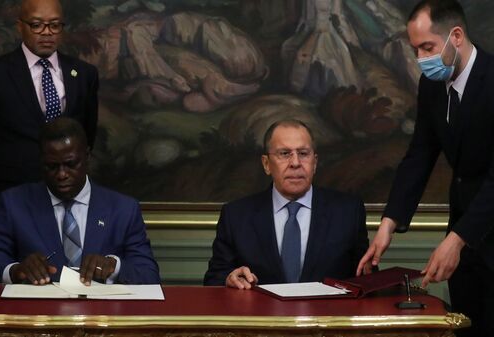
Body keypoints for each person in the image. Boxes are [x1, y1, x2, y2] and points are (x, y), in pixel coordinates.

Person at [356, 1, 494, 336]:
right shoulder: (431, 86)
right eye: (415, 49)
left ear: (456, 36)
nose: (421, 59)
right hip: (466, 244)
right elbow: (420, 154)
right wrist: (389, 223)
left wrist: (458, 238)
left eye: (427, 47)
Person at [0, 0, 99, 232]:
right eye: (37, 25)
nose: (47, 33)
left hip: (69, 203)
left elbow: (87, 135)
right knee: (11, 268)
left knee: (67, 268)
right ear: (20, 26)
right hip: (10, 200)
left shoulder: (84, 74)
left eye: (55, 25)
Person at [0, 117, 160, 285]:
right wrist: (15, 271)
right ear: (41, 162)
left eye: (71, 164)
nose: (62, 174)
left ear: (87, 158)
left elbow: (149, 275)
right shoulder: (14, 204)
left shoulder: (123, 209)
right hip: (38, 316)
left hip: (102, 316)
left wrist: (113, 266)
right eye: (52, 166)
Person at [204, 119, 369, 289]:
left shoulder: (348, 212)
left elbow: (366, 281)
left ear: (315, 163)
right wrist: (228, 279)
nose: (295, 163)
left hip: (327, 314)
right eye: (284, 153)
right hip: (262, 315)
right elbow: (214, 278)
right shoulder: (236, 216)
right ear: (266, 164)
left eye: (303, 153)